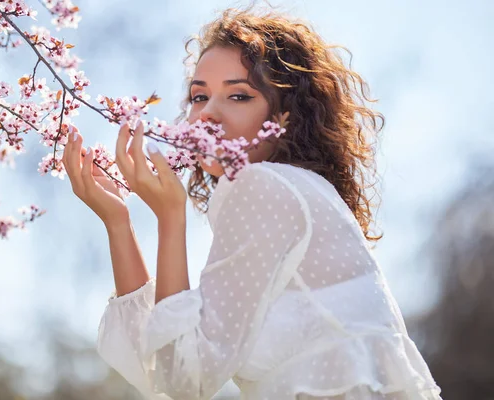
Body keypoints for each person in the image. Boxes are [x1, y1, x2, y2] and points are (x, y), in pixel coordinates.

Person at [61, 6, 443, 400]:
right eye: (199, 96)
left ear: (286, 117)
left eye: (239, 95)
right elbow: (161, 368)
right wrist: (119, 224)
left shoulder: (263, 186)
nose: (207, 114)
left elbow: (185, 380)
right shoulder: (291, 190)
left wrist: (170, 217)